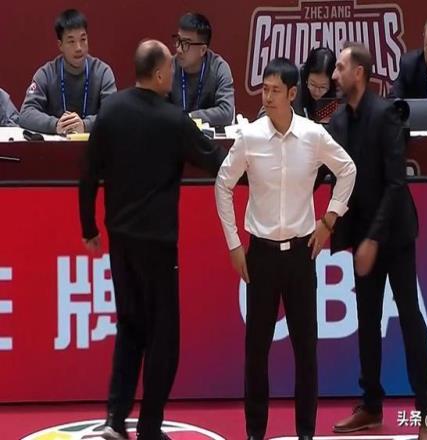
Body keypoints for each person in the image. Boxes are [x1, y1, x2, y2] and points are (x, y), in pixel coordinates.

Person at [79, 40, 226, 440]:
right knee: (164, 339)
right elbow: (216, 160)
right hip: (158, 245)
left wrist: (89, 226)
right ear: (160, 74)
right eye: (171, 70)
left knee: (130, 328)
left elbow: (88, 173)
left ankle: (115, 418)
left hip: (121, 241)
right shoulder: (173, 120)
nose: (173, 76)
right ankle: (149, 427)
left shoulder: (111, 111)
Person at [215, 57, 356, 440]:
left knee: (305, 351)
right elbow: (223, 185)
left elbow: (348, 170)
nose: (268, 96)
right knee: (256, 352)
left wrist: (329, 220)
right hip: (259, 254)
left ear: (293, 94)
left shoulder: (313, 135)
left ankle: (306, 432)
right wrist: (233, 243)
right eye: (265, 89)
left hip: (300, 255)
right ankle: (255, 432)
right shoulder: (250, 137)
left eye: (276, 90)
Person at [327, 42, 427, 440]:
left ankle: (426, 413)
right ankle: (370, 405)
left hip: (395, 236)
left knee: (409, 319)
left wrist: (374, 238)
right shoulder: (338, 122)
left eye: (340, 67)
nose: (334, 75)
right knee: (367, 322)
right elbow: (335, 177)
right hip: (362, 238)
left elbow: (396, 183)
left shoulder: (385, 114)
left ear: (359, 72)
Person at [20, 9, 116, 134]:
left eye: (83, 39)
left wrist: (85, 125)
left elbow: (113, 114)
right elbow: (26, 113)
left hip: (93, 144)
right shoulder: (46, 74)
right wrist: (55, 125)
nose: (79, 48)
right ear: (60, 45)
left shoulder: (102, 72)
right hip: (56, 143)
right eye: (71, 41)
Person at [168, 12, 235, 127]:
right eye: (178, 40)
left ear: (203, 50)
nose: (179, 49)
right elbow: (156, 108)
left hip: (206, 136)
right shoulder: (169, 67)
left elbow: (226, 112)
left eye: (186, 43)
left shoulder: (219, 68)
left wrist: (189, 118)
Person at [294, 47, 339, 122]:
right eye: (313, 84)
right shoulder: (296, 80)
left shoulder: (339, 86)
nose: (316, 92)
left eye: (323, 87)